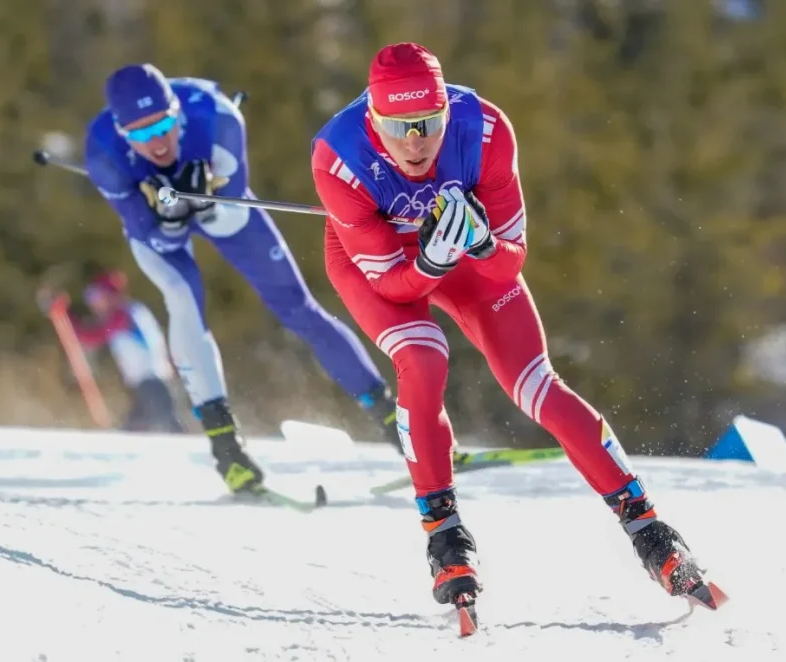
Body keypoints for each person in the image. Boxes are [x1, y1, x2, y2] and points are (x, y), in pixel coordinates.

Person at [311, 42, 722, 613]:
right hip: (387, 267)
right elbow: (391, 287)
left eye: (428, 123)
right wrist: (429, 261)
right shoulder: (339, 156)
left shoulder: (485, 130)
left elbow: (511, 260)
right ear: (374, 118)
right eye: (399, 126)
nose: (415, 141)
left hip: (468, 255)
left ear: (446, 112)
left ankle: (651, 532)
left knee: (537, 386)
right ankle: (445, 533)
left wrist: (479, 243)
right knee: (424, 358)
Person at [84, 64, 400, 496]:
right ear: (123, 134)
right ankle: (226, 450)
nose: (157, 142)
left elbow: (230, 214)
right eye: (140, 135)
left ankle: (392, 418)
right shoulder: (102, 151)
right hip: (161, 233)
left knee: (297, 306)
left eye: (162, 124)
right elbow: (151, 234)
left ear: (177, 112)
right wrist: (169, 216)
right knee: (181, 298)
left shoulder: (218, 118)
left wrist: (202, 201)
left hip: (227, 210)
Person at [39, 270, 185, 433]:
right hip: (147, 384)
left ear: (111, 296)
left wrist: (64, 315)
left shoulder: (121, 316)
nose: (94, 303)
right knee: (135, 430)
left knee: (168, 428)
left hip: (153, 383)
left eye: (96, 297)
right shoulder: (130, 312)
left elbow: (92, 336)